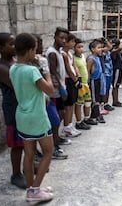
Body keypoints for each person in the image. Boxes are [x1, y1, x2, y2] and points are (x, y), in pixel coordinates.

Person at [9, 33, 54, 202]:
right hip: (37, 118)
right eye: (34, 49)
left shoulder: (13, 68)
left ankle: (31, 189)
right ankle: (34, 190)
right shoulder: (32, 70)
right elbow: (49, 90)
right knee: (48, 152)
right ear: (29, 50)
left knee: (28, 155)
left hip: (22, 117)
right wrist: (46, 70)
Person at [0, 33, 26, 189]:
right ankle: (16, 174)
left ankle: (28, 167)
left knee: (26, 139)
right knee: (17, 144)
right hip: (12, 108)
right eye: (11, 44)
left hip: (22, 106)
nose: (15, 47)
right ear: (0, 48)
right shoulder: (1, 67)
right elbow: (17, 85)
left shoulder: (14, 62)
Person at [46, 27, 71, 159]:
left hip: (59, 88)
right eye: (61, 37)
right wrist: (60, 85)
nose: (63, 40)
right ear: (55, 36)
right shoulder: (52, 53)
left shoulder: (59, 52)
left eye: (65, 39)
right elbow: (52, 70)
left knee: (61, 114)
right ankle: (53, 143)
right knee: (55, 118)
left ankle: (56, 138)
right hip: (54, 91)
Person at [61, 33, 82, 137]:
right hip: (68, 80)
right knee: (68, 106)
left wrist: (79, 77)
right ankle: (67, 127)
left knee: (72, 103)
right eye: (72, 41)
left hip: (73, 79)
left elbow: (74, 66)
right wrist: (75, 80)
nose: (74, 43)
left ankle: (69, 125)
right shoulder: (63, 54)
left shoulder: (69, 54)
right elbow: (68, 69)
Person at [73, 38, 94, 128]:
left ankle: (86, 118)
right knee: (79, 103)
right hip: (80, 84)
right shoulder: (73, 58)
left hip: (86, 83)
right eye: (78, 47)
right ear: (74, 48)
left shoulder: (83, 57)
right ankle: (78, 122)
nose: (81, 49)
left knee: (88, 101)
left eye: (82, 47)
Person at [87, 39, 106, 124]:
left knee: (98, 97)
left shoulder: (97, 57)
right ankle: (98, 115)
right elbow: (87, 70)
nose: (100, 49)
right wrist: (87, 81)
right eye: (98, 48)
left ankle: (93, 116)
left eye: (101, 48)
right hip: (93, 80)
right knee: (95, 99)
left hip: (99, 79)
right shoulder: (91, 59)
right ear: (92, 49)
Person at [110, 38, 122, 107]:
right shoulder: (113, 51)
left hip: (118, 69)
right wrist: (121, 42)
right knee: (115, 86)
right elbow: (119, 49)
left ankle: (116, 100)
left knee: (117, 85)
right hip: (116, 69)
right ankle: (115, 101)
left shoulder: (116, 51)